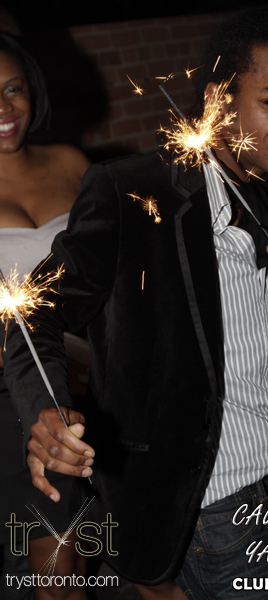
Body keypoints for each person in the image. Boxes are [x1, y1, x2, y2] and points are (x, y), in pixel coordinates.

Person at [0, 7, 268, 599]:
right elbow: (32, 313)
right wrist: (47, 412)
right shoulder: (135, 193)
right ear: (218, 99)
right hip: (219, 512)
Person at [0, 31, 91, 599]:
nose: (4, 108)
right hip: (17, 398)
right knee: (55, 573)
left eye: (13, 88)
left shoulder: (72, 163)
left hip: (100, 382)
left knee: (133, 559)